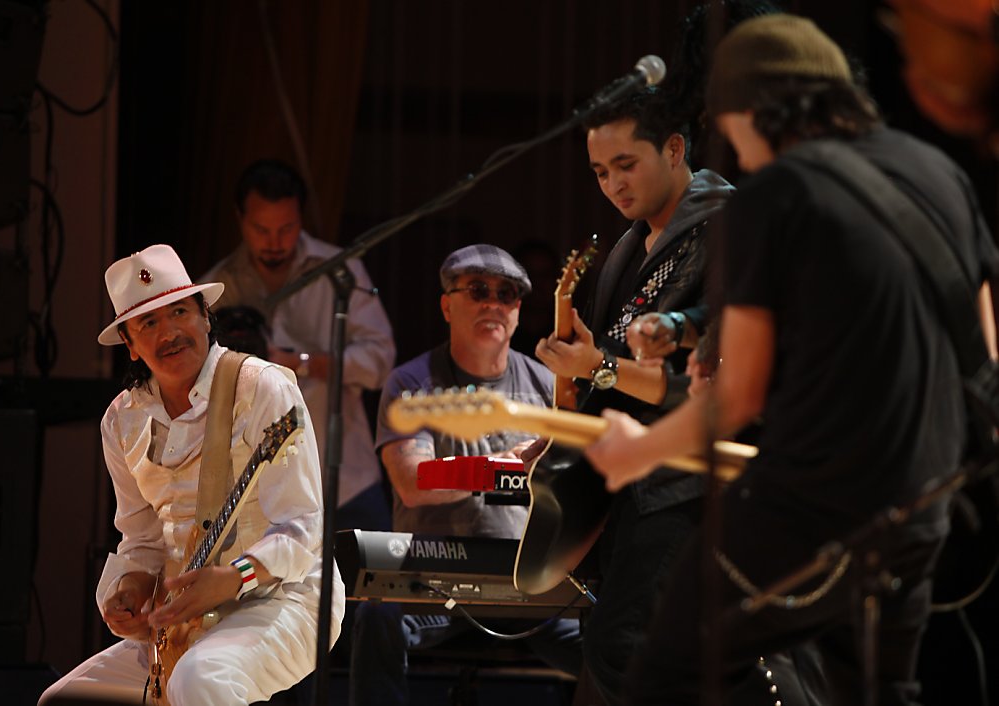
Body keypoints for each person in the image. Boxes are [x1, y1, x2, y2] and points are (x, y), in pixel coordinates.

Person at [586, 14, 998, 705]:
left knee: (653, 666)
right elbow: (984, 340)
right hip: (928, 505)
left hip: (813, 505)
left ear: (754, 110)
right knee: (876, 692)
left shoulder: (772, 197)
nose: (740, 156)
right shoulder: (938, 172)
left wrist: (641, 450)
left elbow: (735, 397)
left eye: (734, 131)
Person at [39, 244, 344, 705]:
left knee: (199, 680)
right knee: (65, 700)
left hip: (286, 598)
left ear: (204, 315)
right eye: (148, 323)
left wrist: (235, 576)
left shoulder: (259, 386)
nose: (169, 332)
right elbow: (141, 541)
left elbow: (304, 528)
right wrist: (129, 592)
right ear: (131, 345)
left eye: (179, 312)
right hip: (183, 614)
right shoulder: (121, 420)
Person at [533, 84, 733, 705]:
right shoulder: (627, 248)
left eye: (626, 165)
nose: (613, 184)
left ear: (675, 149)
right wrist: (576, 380)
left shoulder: (726, 226)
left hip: (688, 479)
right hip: (631, 481)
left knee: (622, 645)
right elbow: (603, 379)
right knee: (609, 651)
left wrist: (600, 368)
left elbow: (716, 377)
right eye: (600, 172)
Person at [349, 244, 583, 705]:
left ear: (518, 311)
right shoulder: (411, 383)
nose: (494, 302)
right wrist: (498, 469)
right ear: (446, 305)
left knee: (619, 646)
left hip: (526, 581)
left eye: (508, 293)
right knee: (376, 618)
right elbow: (413, 482)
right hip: (436, 582)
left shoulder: (546, 386)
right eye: (478, 290)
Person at [201, 158, 396, 536]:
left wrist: (301, 363)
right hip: (257, 489)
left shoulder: (339, 270)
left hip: (343, 479)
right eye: (261, 229)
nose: (274, 242)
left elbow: (380, 360)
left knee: (372, 591)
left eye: (287, 228)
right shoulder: (215, 288)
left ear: (301, 218)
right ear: (239, 218)